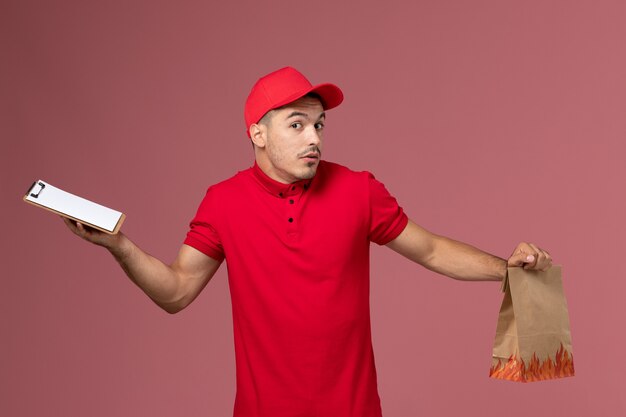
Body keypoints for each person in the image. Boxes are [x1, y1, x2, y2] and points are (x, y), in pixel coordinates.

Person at [63, 66, 552, 417]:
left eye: (318, 125)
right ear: (257, 132)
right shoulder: (223, 202)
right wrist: (120, 245)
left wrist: (505, 269)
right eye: (296, 125)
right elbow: (176, 292)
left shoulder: (359, 189)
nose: (313, 138)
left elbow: (430, 250)